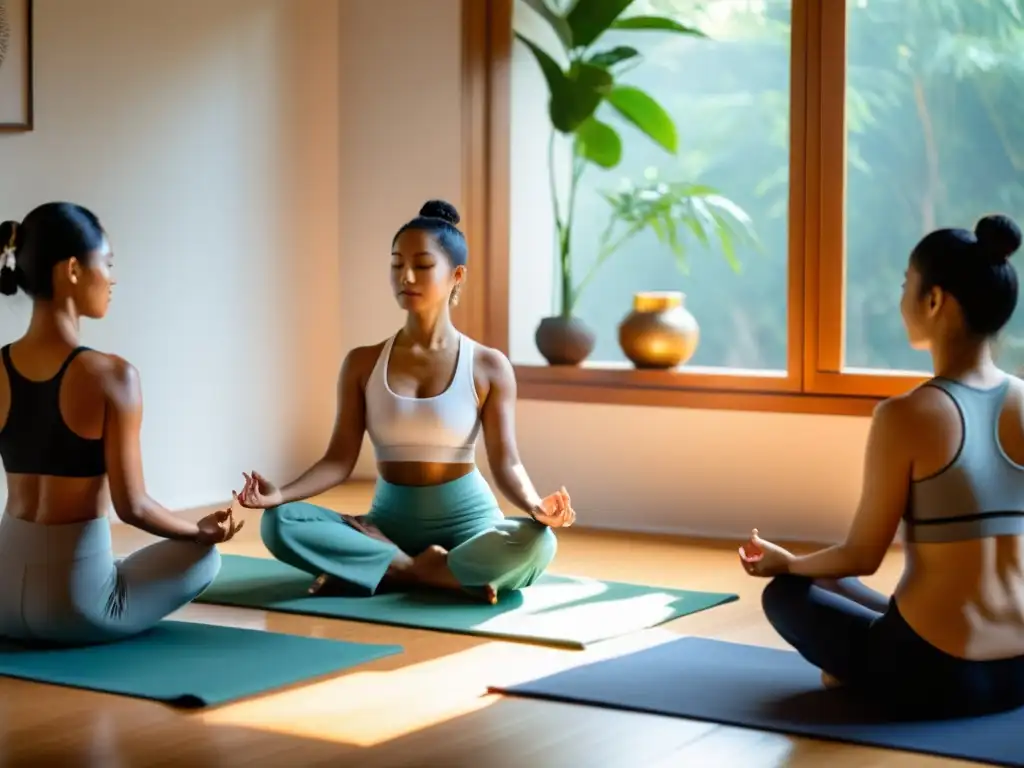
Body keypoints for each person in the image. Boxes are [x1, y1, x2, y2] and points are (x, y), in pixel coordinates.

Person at [739, 213, 1024, 717]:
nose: (901, 300)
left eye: (906, 286)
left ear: (934, 300)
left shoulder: (907, 414)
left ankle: (861, 678)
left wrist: (788, 564)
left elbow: (862, 554)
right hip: (1019, 670)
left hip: (939, 671)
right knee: (833, 585)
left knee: (787, 596)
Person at [235, 200, 574, 604]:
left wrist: (537, 507)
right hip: (388, 525)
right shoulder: (362, 362)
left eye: (423, 265)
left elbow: (507, 462)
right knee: (280, 523)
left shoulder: (488, 365)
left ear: (456, 276)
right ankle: (429, 572)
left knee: (538, 542)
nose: (406, 276)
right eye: (396, 264)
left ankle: (385, 570)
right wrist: (280, 495)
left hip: (469, 526)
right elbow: (338, 460)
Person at [0, 203, 242, 646]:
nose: (112, 278)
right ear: (73, 270)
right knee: (204, 559)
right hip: (75, 609)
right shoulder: (112, 376)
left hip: (2, 600)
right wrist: (202, 531)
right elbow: (132, 505)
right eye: (106, 263)